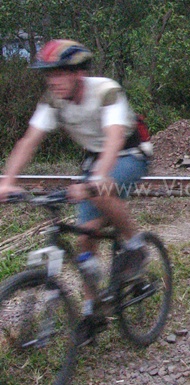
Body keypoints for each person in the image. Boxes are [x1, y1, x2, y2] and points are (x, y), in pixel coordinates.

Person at [0, 40, 150, 344]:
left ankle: (136, 245)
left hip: (131, 152)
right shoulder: (53, 100)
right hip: (95, 158)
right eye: (48, 75)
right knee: (84, 236)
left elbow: (113, 140)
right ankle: (92, 311)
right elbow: (29, 141)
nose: (52, 81)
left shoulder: (106, 90)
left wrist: (94, 181)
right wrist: (7, 181)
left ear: (78, 73)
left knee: (98, 189)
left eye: (59, 74)